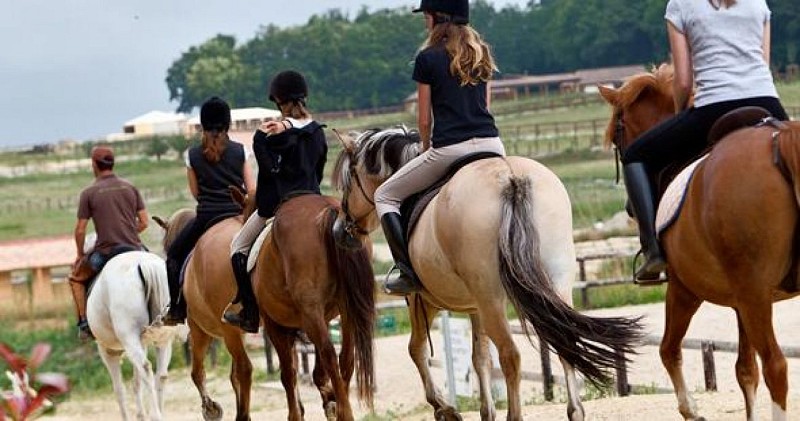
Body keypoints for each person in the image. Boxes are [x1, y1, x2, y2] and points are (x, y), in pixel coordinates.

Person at [621, 0, 789, 284]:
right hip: (767, 102)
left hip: (713, 107)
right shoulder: (758, 3)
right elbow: (763, 63)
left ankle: (653, 252)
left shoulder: (680, 5)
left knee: (634, 155)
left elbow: (684, 82)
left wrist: (679, 116)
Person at [374, 0, 506, 296]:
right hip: (493, 145)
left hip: (449, 148)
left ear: (437, 18)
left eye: (427, 16)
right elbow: (486, 105)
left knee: (384, 195)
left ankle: (406, 271)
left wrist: (424, 148)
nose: (425, 22)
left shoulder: (427, 58)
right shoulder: (481, 53)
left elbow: (423, 120)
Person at [222, 70, 328, 333]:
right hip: (315, 197)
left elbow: (270, 172)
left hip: (277, 205)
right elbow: (320, 172)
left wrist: (260, 139)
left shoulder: (274, 136)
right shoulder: (318, 132)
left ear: (280, 102)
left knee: (238, 247)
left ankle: (249, 311)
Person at [162, 96, 256, 325]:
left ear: (203, 125)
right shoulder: (240, 151)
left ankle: (176, 308)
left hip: (207, 217)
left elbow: (195, 192)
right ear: (228, 124)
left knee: (174, 256)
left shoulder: (192, 155)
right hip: (238, 214)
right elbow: (251, 189)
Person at [69, 145, 148, 341]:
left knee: (76, 279)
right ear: (112, 163)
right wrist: (128, 231)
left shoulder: (89, 192)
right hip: (134, 246)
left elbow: (80, 230)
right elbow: (144, 222)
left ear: (94, 165)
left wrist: (80, 254)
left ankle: (84, 324)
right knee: (159, 267)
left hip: (106, 252)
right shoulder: (130, 187)